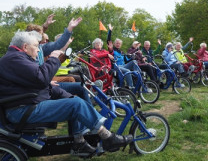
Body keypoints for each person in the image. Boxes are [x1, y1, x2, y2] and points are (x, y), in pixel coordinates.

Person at [0, 31, 132, 156]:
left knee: (74, 100)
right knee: (75, 104)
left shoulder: (16, 58)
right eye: (36, 46)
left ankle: (80, 142)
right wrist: (54, 59)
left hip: (26, 105)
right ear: (24, 47)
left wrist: (68, 96)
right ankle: (108, 137)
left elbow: (41, 83)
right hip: (22, 110)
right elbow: (42, 78)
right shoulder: (15, 59)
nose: (39, 49)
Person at [106, 24, 139, 89]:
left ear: (121, 45)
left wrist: (132, 58)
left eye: (119, 43)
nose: (118, 44)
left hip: (123, 66)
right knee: (127, 71)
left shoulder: (121, 52)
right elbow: (108, 41)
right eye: (117, 43)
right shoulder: (112, 50)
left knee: (134, 61)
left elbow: (127, 60)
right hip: (116, 67)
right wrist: (110, 31)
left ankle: (136, 75)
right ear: (114, 44)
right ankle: (131, 87)